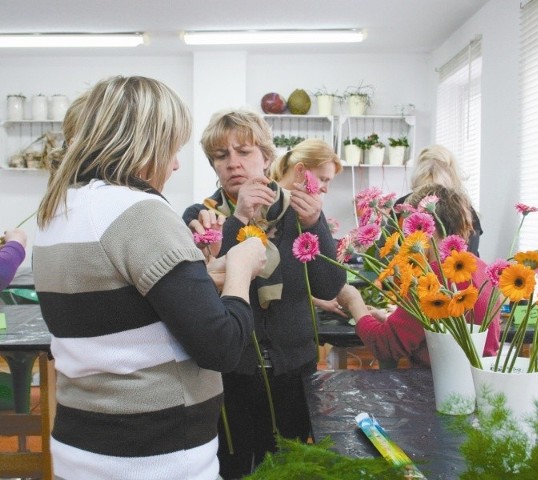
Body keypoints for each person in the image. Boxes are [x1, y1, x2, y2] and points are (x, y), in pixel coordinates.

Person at [32, 76, 266, 480]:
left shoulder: (59, 209)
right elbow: (222, 347)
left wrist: (200, 280)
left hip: (82, 448)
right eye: (172, 148)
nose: (175, 163)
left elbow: (121, 306)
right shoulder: (139, 211)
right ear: (142, 144)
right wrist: (240, 272)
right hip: (155, 456)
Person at [183, 110, 346, 479]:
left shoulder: (296, 213)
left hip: (294, 368)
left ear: (268, 158)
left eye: (244, 152)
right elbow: (198, 290)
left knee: (288, 467)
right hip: (229, 372)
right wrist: (238, 220)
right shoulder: (201, 217)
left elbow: (328, 286)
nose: (233, 164)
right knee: (232, 464)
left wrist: (315, 225)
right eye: (221, 157)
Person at [337, 184, 500, 367]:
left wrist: (353, 302)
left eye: (407, 227)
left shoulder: (433, 279)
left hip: (439, 387)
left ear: (423, 226)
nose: (404, 236)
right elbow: (430, 327)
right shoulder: (480, 267)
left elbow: (385, 346)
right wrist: (390, 322)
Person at [269, 138, 346, 315]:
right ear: (300, 170)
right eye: (323, 179)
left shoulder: (309, 213)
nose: (326, 189)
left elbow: (330, 285)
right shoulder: (264, 205)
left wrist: (314, 225)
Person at [396, 144, 483, 257]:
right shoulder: (465, 209)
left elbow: (390, 255)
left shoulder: (403, 205)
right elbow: (471, 256)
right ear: (452, 172)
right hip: (456, 272)